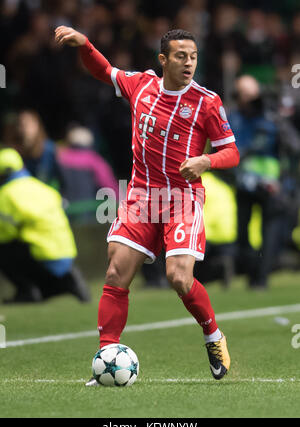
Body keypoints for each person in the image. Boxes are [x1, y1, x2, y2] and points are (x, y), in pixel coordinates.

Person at [55, 26, 239, 385]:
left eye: (194, 56)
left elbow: (231, 151)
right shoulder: (141, 85)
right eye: (181, 56)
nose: (189, 63)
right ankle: (107, 355)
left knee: (179, 278)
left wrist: (206, 162)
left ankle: (213, 336)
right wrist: (85, 44)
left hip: (183, 197)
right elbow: (103, 70)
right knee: (114, 273)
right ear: (164, 59)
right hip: (142, 195)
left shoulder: (207, 102)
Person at [0, 148, 91, 304]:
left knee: (4, 249)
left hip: (40, 254)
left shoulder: (5, 195)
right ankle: (66, 283)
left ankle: (27, 291)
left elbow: (5, 234)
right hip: (67, 253)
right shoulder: (42, 188)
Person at [228, 75, 283, 289]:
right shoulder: (233, 118)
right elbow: (231, 150)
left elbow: (286, 147)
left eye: (254, 93)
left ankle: (262, 277)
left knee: (269, 230)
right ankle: (251, 271)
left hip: (270, 183)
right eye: (247, 94)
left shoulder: (270, 117)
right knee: (243, 230)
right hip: (244, 182)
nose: (252, 98)